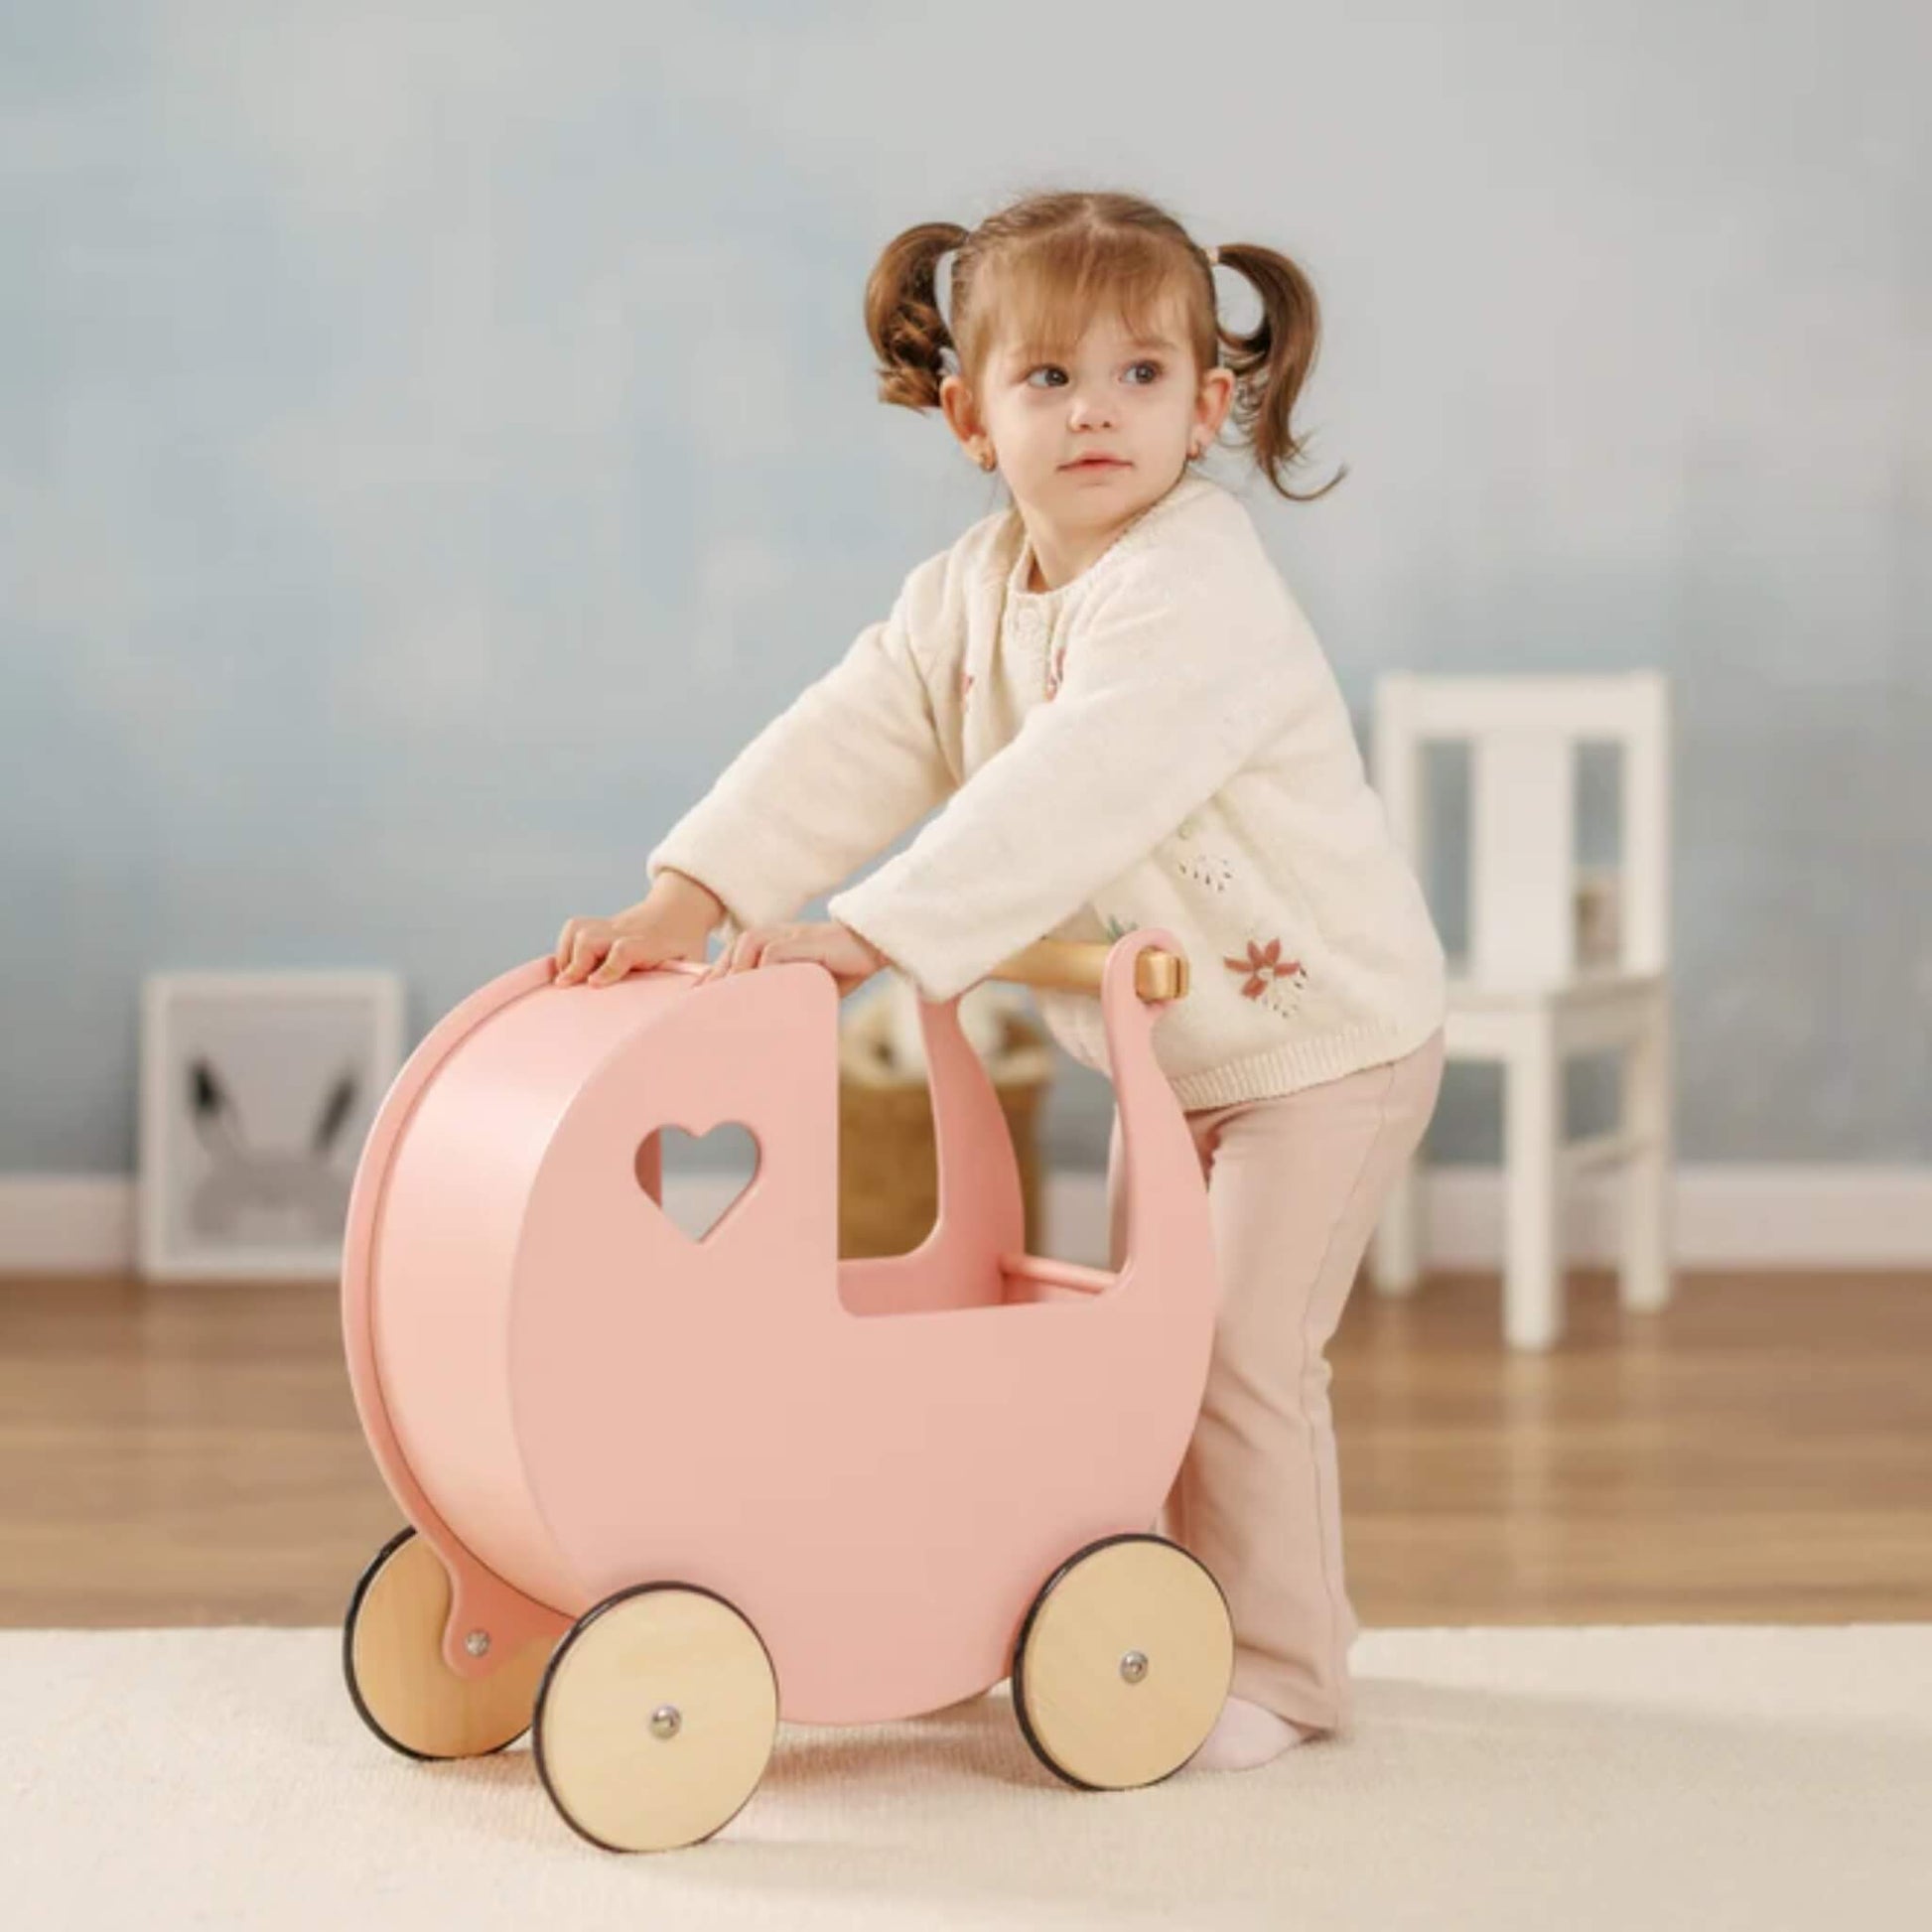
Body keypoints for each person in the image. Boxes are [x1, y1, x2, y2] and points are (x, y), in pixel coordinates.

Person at [552, 189, 1448, 1771]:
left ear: (1206, 409)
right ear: (971, 416)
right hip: (1181, 1060)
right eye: (1048, 378)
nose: (1095, 411)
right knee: (1149, 1351)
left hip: (1324, 1044)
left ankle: (1286, 1667)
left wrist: (870, 934)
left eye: (1139, 376)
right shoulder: (963, 598)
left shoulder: (1195, 585)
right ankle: (1174, 1619)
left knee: (1237, 1350)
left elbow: (1074, 785)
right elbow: (844, 739)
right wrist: (691, 895)